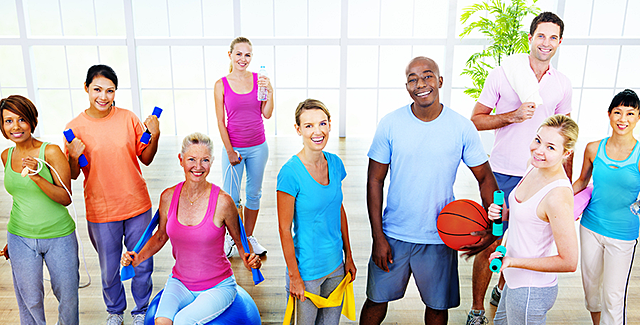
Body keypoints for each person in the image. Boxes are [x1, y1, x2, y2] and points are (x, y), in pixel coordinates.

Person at [359, 56, 498, 325]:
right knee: (376, 300)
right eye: (412, 78)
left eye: (427, 76)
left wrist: (495, 226)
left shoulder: (461, 127)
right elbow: (374, 180)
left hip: (440, 235)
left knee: (437, 307)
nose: (420, 83)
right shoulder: (390, 123)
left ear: (440, 81)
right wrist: (378, 236)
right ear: (407, 86)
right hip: (394, 233)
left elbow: (485, 177)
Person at [466, 12, 572, 324]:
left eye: (553, 37)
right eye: (541, 36)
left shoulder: (561, 84)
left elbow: (565, 134)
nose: (546, 43)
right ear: (530, 38)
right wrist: (511, 115)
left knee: (523, 242)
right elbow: (476, 120)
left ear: (560, 42)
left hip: (538, 179)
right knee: (492, 239)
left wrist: (567, 184)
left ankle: (502, 290)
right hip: (500, 176)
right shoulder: (503, 75)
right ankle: (477, 309)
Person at [121, 132, 261, 325]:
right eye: (191, 159)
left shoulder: (223, 202)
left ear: (211, 162)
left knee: (183, 321)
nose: (198, 166)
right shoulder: (168, 197)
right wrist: (136, 259)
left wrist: (251, 261)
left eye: (204, 160)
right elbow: (160, 236)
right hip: (179, 281)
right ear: (181, 160)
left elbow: (240, 243)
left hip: (218, 286)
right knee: (161, 321)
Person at [65, 64, 160, 325]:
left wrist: (156, 135)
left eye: (110, 90)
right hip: (101, 209)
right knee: (109, 269)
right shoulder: (74, 128)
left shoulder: (129, 118)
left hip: (137, 204)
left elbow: (147, 158)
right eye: (97, 89)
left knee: (142, 263)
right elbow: (74, 174)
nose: (103, 97)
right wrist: (73, 156)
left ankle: (141, 310)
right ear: (86, 89)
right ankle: (115, 311)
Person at [489, 114, 579, 324]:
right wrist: (504, 214)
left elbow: (569, 261)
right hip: (513, 279)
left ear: (566, 153)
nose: (539, 150)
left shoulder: (558, 196)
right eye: (538, 140)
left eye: (551, 147)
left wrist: (513, 261)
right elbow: (530, 216)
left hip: (531, 290)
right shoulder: (533, 165)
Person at [277, 99, 357, 324]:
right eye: (309, 125)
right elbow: (284, 229)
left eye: (322, 123)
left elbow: (338, 209)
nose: (317, 131)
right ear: (298, 129)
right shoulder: (290, 173)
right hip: (307, 271)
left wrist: (348, 256)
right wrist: (294, 277)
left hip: (336, 267)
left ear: (330, 125)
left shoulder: (335, 163)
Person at [1, 95, 79, 325]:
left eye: (22, 119)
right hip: (20, 236)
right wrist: (12, 241)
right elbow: (20, 198)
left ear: (32, 121)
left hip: (59, 236)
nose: (15, 126)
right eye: (8, 121)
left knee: (68, 297)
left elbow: (65, 197)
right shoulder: (6, 156)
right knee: (29, 300)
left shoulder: (51, 152)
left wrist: (36, 176)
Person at [572, 89, 640, 325]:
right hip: (590, 227)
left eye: (630, 113)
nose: (623, 119)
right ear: (609, 114)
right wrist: (555, 197)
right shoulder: (593, 148)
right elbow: (581, 182)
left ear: (638, 117)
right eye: (618, 112)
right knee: (591, 291)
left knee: (613, 296)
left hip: (622, 235)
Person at [214, 36, 274, 257]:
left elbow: (266, 113)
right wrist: (229, 151)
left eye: (247, 55)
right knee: (231, 198)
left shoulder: (260, 80)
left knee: (254, 194)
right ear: (230, 55)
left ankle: (248, 239)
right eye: (238, 54)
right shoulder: (221, 84)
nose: (243, 58)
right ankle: (232, 239)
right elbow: (221, 121)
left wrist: (271, 91)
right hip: (235, 148)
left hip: (258, 146)